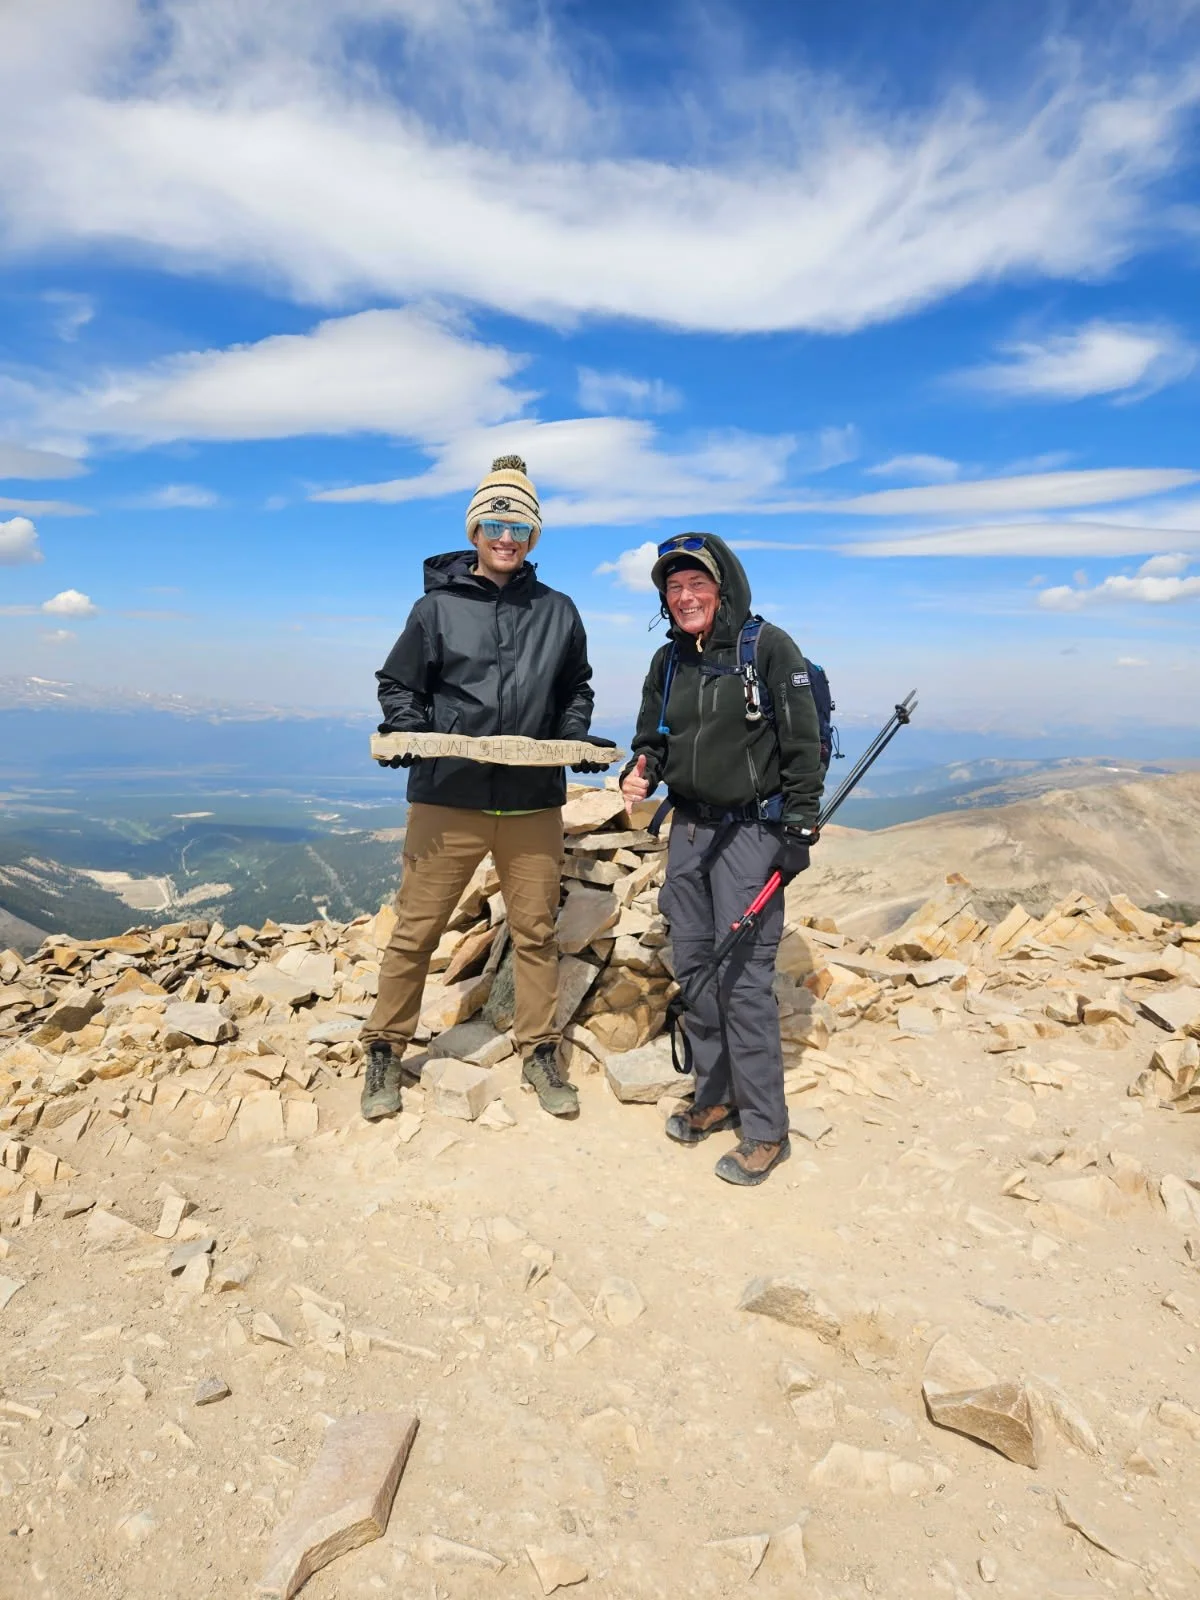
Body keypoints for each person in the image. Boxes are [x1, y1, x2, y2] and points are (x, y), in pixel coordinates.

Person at [360, 455, 613, 1122]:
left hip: (531, 803)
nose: (507, 535)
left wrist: (574, 738)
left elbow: (574, 687)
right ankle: (385, 1048)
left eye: (520, 525)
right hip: (448, 795)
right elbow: (400, 685)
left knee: (534, 933)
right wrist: (409, 732)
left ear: (534, 537)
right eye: (496, 521)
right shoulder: (435, 609)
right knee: (416, 931)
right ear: (475, 529)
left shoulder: (558, 611)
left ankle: (537, 1051)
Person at [620, 533, 824, 1186]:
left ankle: (766, 1131)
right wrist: (642, 767)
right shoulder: (669, 660)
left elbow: (801, 739)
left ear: (724, 586)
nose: (684, 598)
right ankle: (715, 1095)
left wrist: (796, 829)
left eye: (697, 585)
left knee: (743, 979)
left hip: (749, 833)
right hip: (689, 828)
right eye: (673, 589)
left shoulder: (767, 648)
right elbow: (653, 733)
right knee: (696, 969)